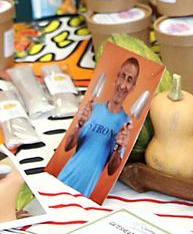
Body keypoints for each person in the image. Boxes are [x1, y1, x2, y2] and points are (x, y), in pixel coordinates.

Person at [55, 56, 147, 197]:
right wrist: (79, 126)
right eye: (122, 76)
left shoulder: (126, 124)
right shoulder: (92, 109)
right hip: (63, 179)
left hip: (85, 192)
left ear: (133, 87)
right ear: (116, 78)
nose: (123, 85)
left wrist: (119, 147)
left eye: (129, 80)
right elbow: (68, 146)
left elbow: (111, 169)